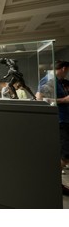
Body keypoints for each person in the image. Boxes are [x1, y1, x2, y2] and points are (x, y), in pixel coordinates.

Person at [37, 60, 69, 196]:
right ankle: (52, 181)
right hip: (60, 121)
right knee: (65, 153)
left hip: (64, 120)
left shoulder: (57, 81)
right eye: (67, 71)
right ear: (63, 68)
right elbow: (41, 98)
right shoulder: (49, 80)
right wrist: (64, 100)